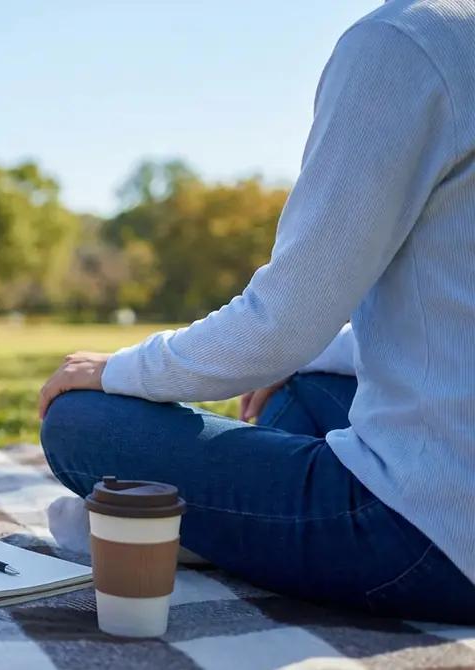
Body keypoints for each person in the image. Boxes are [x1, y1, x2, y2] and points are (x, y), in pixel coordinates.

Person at [38, 0, 475, 625]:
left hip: (435, 540)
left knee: (82, 422)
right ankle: (225, 525)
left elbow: (282, 323)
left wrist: (114, 370)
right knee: (300, 393)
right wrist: (303, 356)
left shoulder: (408, 41)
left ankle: (201, 532)